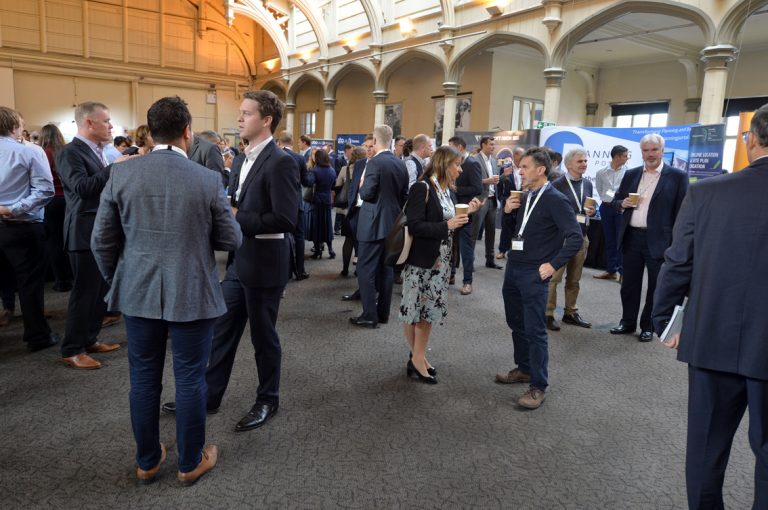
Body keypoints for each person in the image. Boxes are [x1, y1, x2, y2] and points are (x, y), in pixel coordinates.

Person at [91, 95, 241, 486]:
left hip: (137, 292)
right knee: (191, 377)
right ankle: (190, 462)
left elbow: (101, 241)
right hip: (192, 289)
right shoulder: (207, 178)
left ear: (150, 132)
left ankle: (147, 461)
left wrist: (118, 279)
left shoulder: (120, 174)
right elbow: (231, 238)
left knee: (142, 377)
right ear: (187, 132)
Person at [651, 103, 768, 509]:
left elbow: (678, 262)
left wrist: (665, 322)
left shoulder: (706, 191)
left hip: (709, 337)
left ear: (751, 140)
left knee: (705, 451)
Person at [162, 90, 299, 434]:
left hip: (266, 264)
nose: (239, 119)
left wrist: (237, 215)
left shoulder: (281, 161)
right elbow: (236, 202)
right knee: (222, 331)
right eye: (240, 113)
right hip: (240, 262)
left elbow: (287, 219)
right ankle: (209, 395)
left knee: (263, 338)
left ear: (266, 120)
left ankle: (268, 399)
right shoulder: (239, 159)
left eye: (246, 114)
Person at [495, 147, 582, 409]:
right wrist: (508, 212)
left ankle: (538, 386)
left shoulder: (555, 199)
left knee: (535, 330)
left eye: (524, 167)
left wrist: (553, 265)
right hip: (514, 268)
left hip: (535, 272)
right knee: (515, 322)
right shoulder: (526, 195)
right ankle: (524, 369)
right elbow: (515, 234)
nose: (519, 171)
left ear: (541, 170)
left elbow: (575, 237)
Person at [399, 146, 481, 383]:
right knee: (414, 311)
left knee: (429, 312)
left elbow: (451, 224)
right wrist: (448, 226)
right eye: (457, 164)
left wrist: (468, 214)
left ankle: (418, 356)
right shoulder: (422, 188)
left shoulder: (448, 191)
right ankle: (417, 359)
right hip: (422, 261)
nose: (461, 169)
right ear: (444, 165)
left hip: (441, 263)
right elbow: (414, 225)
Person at [57, 101, 122, 369]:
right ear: (88, 123)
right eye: (105, 121)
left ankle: (89, 338)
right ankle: (72, 348)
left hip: (101, 231)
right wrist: (116, 168)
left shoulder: (98, 151)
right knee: (84, 294)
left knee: (99, 292)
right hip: (83, 233)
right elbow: (82, 188)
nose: (110, 126)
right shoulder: (69, 152)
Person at [609, 133, 688, 342]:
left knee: (656, 286)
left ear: (662, 150)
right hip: (631, 237)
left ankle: (648, 326)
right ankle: (627, 322)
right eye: (646, 150)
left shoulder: (678, 177)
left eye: (654, 149)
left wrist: (676, 243)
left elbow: (682, 213)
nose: (650, 154)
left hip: (660, 242)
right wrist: (622, 204)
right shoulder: (631, 174)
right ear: (641, 152)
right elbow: (616, 201)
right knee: (629, 285)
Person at [0, 106, 59, 351]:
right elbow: (45, 190)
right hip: (21, 227)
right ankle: (37, 336)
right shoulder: (30, 151)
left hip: (15, 227)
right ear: (15, 126)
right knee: (30, 283)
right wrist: (12, 209)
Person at [350, 125, 408, 328]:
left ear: (375, 141)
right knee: (386, 270)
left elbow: (367, 194)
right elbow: (404, 196)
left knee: (365, 270)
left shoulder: (375, 163)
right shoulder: (400, 164)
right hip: (392, 224)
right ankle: (382, 313)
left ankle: (369, 315)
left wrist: (361, 185)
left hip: (372, 224)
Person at [545, 148, 596, 331]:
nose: (584, 164)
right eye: (580, 161)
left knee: (574, 279)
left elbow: (588, 207)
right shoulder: (557, 185)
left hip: (581, 237)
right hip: (561, 240)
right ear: (568, 165)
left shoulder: (588, 184)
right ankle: (548, 313)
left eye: (585, 161)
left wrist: (592, 211)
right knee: (553, 278)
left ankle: (570, 312)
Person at [39, 123, 73, 292]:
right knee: (68, 239)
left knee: (54, 242)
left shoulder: (42, 153)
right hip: (67, 199)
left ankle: (61, 280)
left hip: (51, 201)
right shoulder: (65, 152)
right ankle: (73, 275)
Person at [447, 136, 483, 294]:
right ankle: (451, 275)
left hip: (466, 212)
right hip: (450, 210)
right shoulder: (453, 164)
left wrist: (454, 188)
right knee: (451, 246)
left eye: (452, 147)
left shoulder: (472, 163)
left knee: (465, 248)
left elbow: (477, 188)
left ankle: (468, 281)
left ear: (460, 147)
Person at [276, 130, 310, 280]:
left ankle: (284, 270)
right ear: (291, 142)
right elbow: (306, 181)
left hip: (277, 202)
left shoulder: (273, 156)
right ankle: (300, 270)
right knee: (299, 236)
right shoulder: (299, 158)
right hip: (296, 202)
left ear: (279, 142)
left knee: (281, 236)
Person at [593, 145, 629, 280]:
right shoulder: (601, 172)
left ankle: (623, 272)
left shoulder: (628, 172)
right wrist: (610, 198)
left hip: (622, 208)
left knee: (621, 241)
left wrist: (616, 200)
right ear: (617, 156)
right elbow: (601, 190)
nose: (627, 158)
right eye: (625, 155)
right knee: (609, 240)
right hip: (606, 208)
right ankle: (611, 270)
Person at [472, 136, 502, 270]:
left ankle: (490, 260)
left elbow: (495, 180)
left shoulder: (494, 161)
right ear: (483, 145)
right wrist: (486, 181)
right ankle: (469, 262)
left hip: (492, 200)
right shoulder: (474, 160)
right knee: (474, 232)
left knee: (491, 232)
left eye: (494, 144)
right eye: (491, 144)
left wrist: (503, 177)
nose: (493, 147)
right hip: (480, 200)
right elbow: (471, 181)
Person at [336, 146, 365, 276]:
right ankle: (359, 270)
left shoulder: (344, 169)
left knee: (348, 240)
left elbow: (337, 187)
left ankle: (345, 269)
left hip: (345, 210)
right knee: (360, 241)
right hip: (360, 210)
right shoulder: (366, 169)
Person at [307, 148, 336, 259]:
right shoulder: (332, 170)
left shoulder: (315, 170)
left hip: (317, 200)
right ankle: (330, 250)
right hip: (327, 200)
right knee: (327, 225)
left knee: (317, 226)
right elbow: (333, 185)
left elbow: (309, 183)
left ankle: (318, 250)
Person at [497, 146, 525, 259]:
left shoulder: (526, 169)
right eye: (518, 158)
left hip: (522, 202)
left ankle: (513, 251)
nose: (520, 161)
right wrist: (501, 199)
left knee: (518, 227)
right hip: (507, 202)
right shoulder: (505, 167)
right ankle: (502, 250)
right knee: (506, 226)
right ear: (514, 157)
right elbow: (498, 183)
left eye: (522, 158)